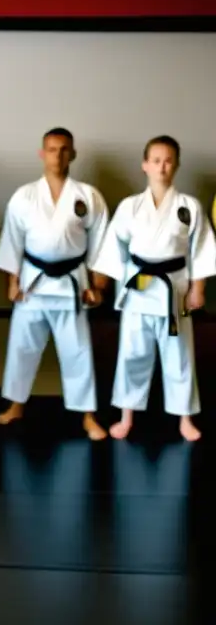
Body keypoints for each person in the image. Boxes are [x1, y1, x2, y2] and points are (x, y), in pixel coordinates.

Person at [91, 135, 215, 441]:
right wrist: (101, 283)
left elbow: (201, 250)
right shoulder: (130, 207)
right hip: (138, 289)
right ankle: (127, 416)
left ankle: (185, 418)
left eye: (169, 160)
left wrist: (198, 288)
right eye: (156, 160)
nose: (162, 166)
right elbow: (113, 248)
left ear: (177, 165)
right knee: (133, 353)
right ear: (145, 165)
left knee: (179, 355)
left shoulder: (189, 206)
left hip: (174, 290)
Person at [0, 128, 110, 440]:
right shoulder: (25, 196)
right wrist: (12, 281)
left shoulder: (88, 196)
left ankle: (87, 415)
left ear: (73, 154)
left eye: (64, 149)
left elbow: (101, 244)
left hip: (73, 283)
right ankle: (15, 405)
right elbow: (12, 241)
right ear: (42, 154)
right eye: (52, 149)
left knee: (78, 351)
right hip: (33, 283)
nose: (57, 155)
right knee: (22, 347)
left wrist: (98, 284)